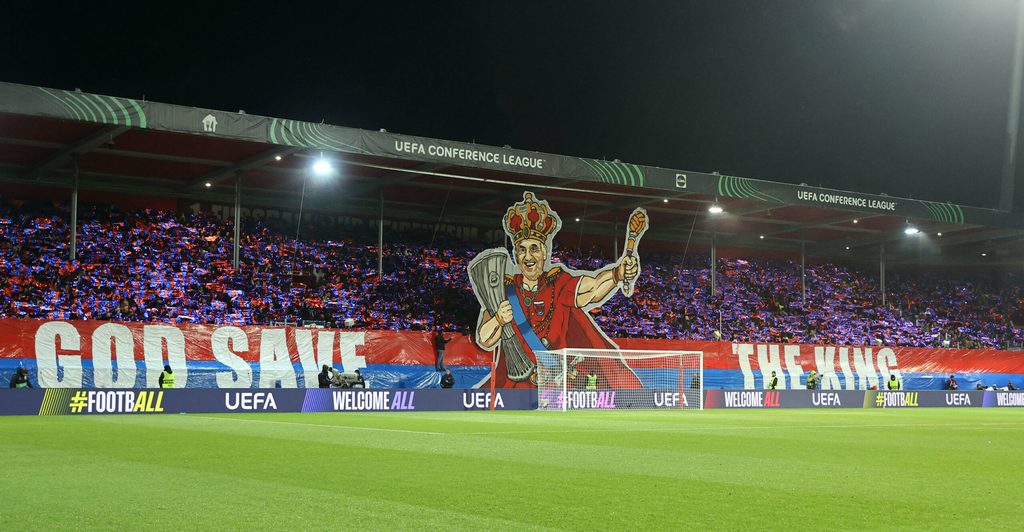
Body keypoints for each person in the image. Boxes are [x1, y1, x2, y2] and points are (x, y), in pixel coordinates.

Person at [470, 192, 643, 389]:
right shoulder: (502, 291)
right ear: (515, 254)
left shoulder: (558, 283)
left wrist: (617, 274)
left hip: (558, 386)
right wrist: (499, 319)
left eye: (534, 248)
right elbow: (485, 339)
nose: (528, 256)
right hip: (516, 387)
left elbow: (592, 289)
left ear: (544, 252)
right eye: (522, 249)